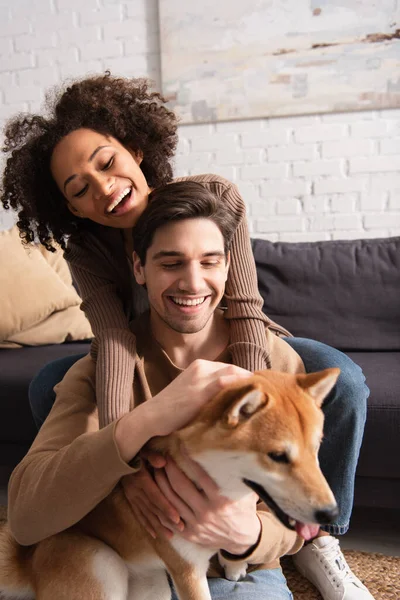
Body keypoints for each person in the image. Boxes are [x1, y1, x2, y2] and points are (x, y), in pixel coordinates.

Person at [1, 74, 372, 600]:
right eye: (79, 188)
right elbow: (110, 338)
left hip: (243, 336)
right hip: (136, 344)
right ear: (73, 208)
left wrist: (245, 398)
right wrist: (127, 470)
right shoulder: (87, 251)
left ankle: (322, 539)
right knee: (53, 382)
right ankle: (98, 505)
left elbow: (243, 306)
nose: (103, 186)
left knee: (347, 382)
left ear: (135, 149)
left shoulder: (213, 199)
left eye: (106, 163)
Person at [9, 183, 308, 600]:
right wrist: (144, 420)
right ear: (138, 268)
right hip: (125, 559)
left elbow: (297, 511)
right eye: (171, 263)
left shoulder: (276, 361)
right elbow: (25, 520)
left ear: (227, 268)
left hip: (232, 572)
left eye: (209, 262)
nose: (192, 282)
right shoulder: (97, 373)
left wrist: (251, 535)